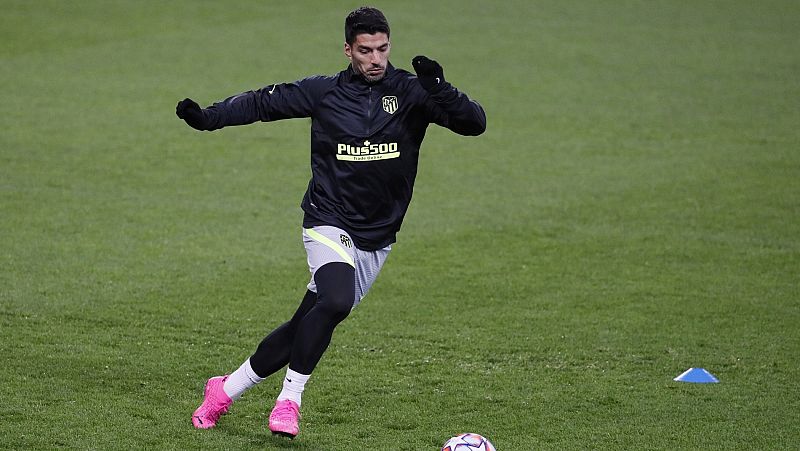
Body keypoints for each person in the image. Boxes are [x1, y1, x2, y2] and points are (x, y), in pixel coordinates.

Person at [176, 6, 485, 439]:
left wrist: (441, 89)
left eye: (382, 48)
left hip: (378, 236)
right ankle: (289, 401)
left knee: (306, 324)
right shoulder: (323, 93)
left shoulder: (414, 93)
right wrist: (209, 118)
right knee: (336, 301)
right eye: (365, 50)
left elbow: (475, 125)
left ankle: (223, 390)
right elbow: (263, 102)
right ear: (348, 50)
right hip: (327, 218)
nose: (375, 58)